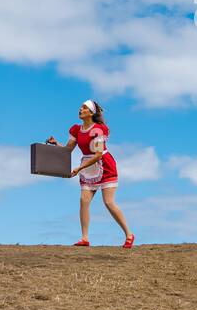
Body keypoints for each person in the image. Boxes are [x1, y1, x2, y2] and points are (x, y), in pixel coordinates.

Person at [47, 100, 134, 248]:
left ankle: (129, 235)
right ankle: (85, 238)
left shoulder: (99, 130)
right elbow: (68, 150)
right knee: (83, 200)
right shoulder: (76, 130)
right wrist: (56, 144)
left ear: (91, 113)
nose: (80, 109)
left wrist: (79, 168)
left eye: (84, 108)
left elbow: (98, 154)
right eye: (80, 107)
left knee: (108, 202)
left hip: (104, 165)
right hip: (87, 166)